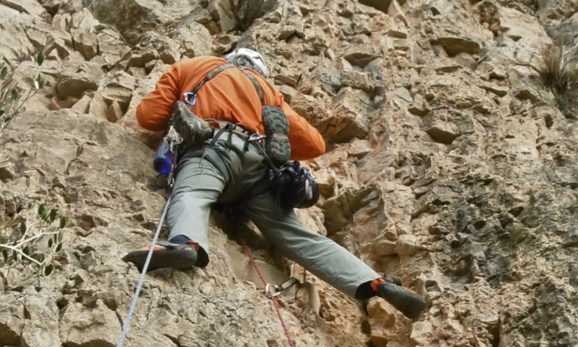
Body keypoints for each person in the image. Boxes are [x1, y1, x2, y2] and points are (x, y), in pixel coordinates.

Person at [123, 48, 426, 319]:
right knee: (297, 236)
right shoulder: (267, 91)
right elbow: (315, 144)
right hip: (258, 169)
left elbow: (148, 116)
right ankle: (375, 283)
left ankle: (187, 243)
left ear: (229, 58)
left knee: (192, 194)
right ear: (260, 71)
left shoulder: (194, 66)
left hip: (212, 150)